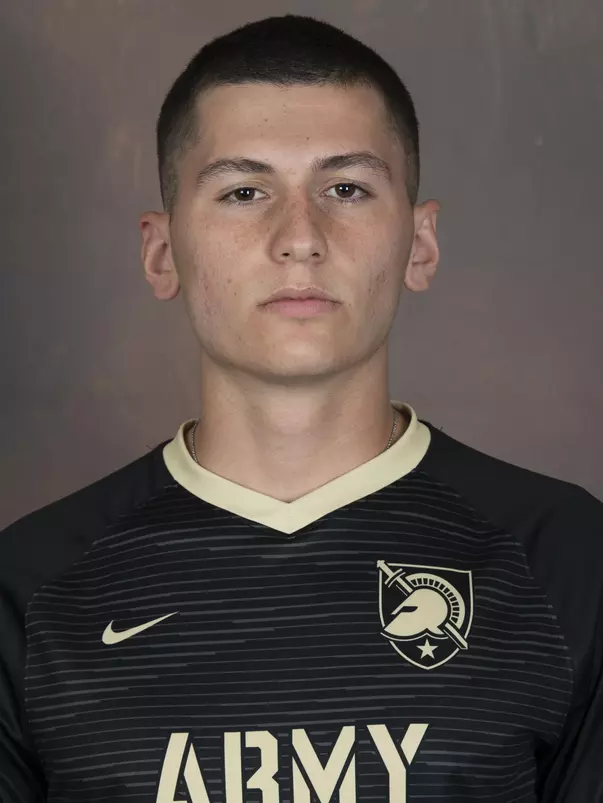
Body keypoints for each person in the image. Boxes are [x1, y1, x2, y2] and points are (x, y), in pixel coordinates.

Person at [0, 13, 601, 803]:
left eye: (345, 188)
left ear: (419, 244)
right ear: (161, 251)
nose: (299, 238)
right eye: (244, 191)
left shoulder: (561, 556)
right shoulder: (34, 583)